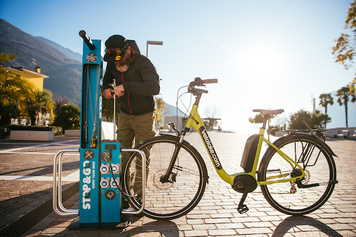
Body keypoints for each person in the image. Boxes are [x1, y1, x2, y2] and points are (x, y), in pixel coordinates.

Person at [102, 35, 160, 169]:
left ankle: (139, 190)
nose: (116, 63)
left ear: (128, 50)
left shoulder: (143, 62)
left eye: (119, 59)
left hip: (144, 116)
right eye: (113, 61)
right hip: (125, 114)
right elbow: (107, 81)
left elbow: (154, 87)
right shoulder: (112, 63)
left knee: (141, 157)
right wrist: (107, 89)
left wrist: (126, 86)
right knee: (121, 156)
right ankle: (122, 188)